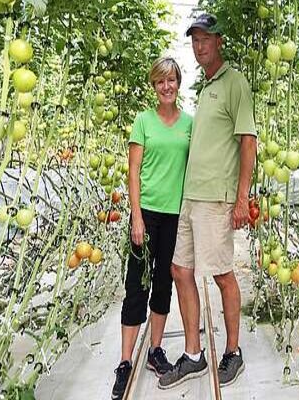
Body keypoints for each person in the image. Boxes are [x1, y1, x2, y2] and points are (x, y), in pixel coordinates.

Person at [158, 13, 257, 390]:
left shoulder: (235, 84)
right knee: (180, 270)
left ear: (219, 42)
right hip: (191, 197)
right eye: (194, 40)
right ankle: (195, 354)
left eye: (205, 39)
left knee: (221, 274)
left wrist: (241, 197)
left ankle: (233, 352)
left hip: (216, 198)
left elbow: (247, 141)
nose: (199, 46)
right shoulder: (205, 87)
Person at [111, 57, 193, 399]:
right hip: (147, 214)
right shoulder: (143, 121)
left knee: (163, 286)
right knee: (136, 286)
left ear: (178, 83)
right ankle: (126, 361)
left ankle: (155, 350)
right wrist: (136, 217)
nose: (166, 86)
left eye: (171, 80)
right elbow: (133, 173)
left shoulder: (189, 124)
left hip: (176, 216)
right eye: (160, 81)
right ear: (154, 86)